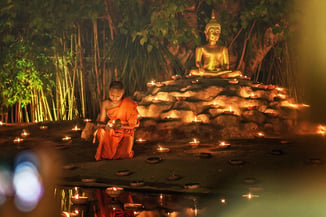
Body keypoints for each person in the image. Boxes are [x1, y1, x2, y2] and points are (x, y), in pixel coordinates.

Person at [94, 81, 139, 161]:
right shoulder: (105, 104)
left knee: (125, 155)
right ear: (109, 91)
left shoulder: (128, 104)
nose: (114, 98)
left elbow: (133, 125)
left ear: (122, 93)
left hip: (126, 130)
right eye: (112, 95)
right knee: (101, 132)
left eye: (118, 96)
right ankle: (107, 152)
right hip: (112, 129)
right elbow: (101, 122)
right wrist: (106, 126)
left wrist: (120, 126)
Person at [190, 10, 241, 78]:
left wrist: (224, 68)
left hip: (219, 71)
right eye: (212, 31)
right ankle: (215, 75)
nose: (215, 34)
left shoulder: (223, 49)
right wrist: (201, 68)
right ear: (206, 33)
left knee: (238, 73)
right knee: (192, 72)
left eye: (217, 31)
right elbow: (198, 62)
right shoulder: (201, 48)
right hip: (206, 71)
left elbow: (226, 64)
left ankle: (214, 75)